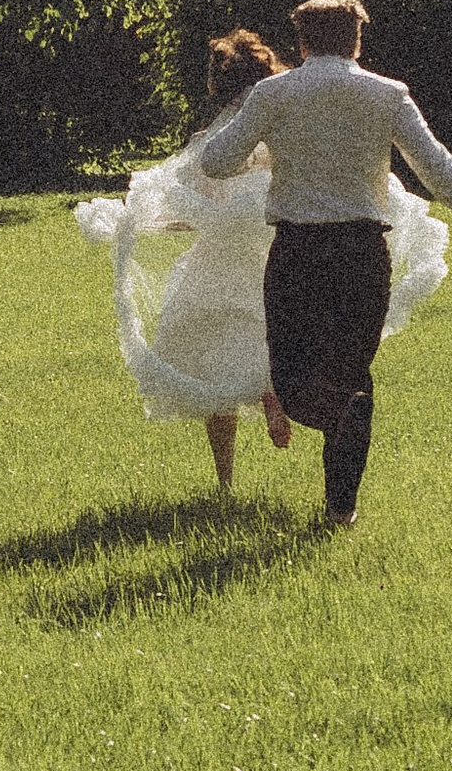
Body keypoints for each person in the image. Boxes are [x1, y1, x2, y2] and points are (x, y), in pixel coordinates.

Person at [195, 0, 452, 528]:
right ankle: (341, 510)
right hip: (364, 253)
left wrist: (265, 142)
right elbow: (438, 168)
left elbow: (218, 162)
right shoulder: (388, 94)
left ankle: (337, 426)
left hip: (297, 252)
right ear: (358, 39)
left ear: (301, 41)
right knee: (352, 375)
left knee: (293, 384)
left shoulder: (273, 93)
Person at [74, 30, 298, 488]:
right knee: (271, 342)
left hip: (216, 263)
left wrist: (137, 224)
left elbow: (192, 211)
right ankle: (271, 392)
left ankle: (225, 481)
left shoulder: (209, 142)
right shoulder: (282, 137)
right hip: (268, 256)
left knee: (213, 373)